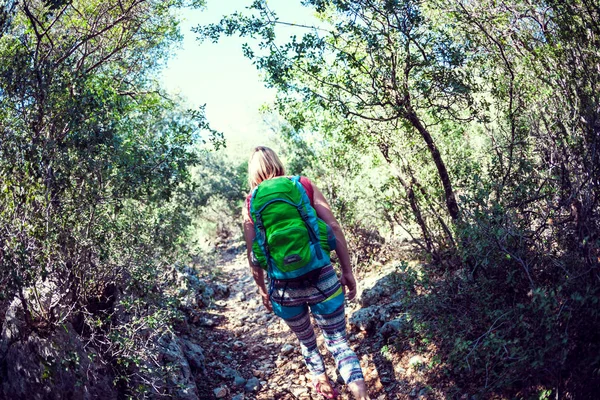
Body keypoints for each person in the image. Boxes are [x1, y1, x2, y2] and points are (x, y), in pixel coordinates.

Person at [242, 146, 371, 400]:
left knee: (308, 344)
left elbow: (253, 255)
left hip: (284, 289)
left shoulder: (250, 202)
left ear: (253, 171)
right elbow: (332, 226)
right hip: (322, 278)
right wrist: (347, 271)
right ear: (277, 162)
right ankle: (362, 396)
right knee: (338, 343)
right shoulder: (302, 184)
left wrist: (262, 290)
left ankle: (326, 392)